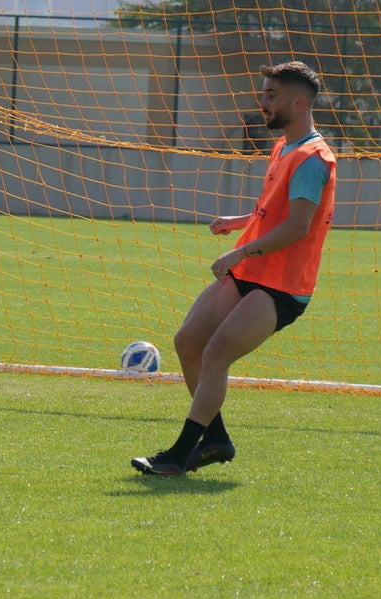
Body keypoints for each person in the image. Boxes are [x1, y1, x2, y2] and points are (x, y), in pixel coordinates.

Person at [132, 61, 337, 475]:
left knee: (216, 352)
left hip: (281, 285)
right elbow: (278, 211)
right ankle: (216, 440)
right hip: (252, 272)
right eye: (263, 94)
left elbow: (299, 226)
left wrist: (241, 252)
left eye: (271, 96)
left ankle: (178, 456)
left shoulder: (315, 158)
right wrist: (241, 222)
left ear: (300, 102)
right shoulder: (283, 148)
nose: (262, 103)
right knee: (188, 341)